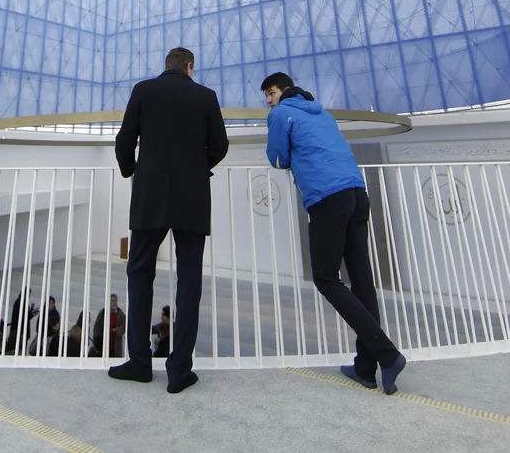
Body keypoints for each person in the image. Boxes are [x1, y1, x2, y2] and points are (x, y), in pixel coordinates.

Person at [262, 71, 406, 395]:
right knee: (362, 279)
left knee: (326, 278)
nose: (268, 101)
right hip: (357, 193)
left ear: (284, 91)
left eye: (270, 93)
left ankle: (387, 354)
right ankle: (366, 368)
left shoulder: (281, 114)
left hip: (328, 198)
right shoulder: (322, 113)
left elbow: (277, 158)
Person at [109, 47, 229, 394]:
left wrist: (134, 171)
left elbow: (123, 142)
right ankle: (179, 370)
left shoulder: (143, 91)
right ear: (190, 67)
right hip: (192, 198)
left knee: (140, 272)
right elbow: (220, 146)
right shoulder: (206, 96)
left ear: (167, 66)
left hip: (150, 197)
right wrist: (197, 167)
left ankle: (140, 363)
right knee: (190, 281)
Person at [91, 294, 125, 358]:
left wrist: (116, 330)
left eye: (115, 301)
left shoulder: (121, 314)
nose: (114, 303)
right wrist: (96, 341)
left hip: (115, 346)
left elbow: (124, 327)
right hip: (103, 345)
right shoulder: (102, 313)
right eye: (112, 301)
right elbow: (97, 328)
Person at [5, 288, 37, 355]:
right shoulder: (21, 303)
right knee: (19, 350)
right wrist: (31, 314)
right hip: (20, 331)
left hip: (19, 331)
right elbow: (23, 317)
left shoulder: (20, 302)